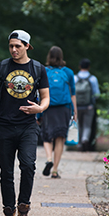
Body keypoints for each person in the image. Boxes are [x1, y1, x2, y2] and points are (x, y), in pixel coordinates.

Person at [0, 30, 49, 216]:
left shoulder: (38, 69)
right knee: (6, 171)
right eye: (11, 46)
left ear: (27, 46)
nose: (14, 50)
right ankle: (9, 213)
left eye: (18, 46)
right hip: (3, 126)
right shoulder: (0, 67)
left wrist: (40, 108)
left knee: (28, 166)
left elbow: (45, 97)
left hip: (28, 126)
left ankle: (24, 211)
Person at [41, 46, 76, 179]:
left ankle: (49, 159)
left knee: (46, 136)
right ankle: (55, 170)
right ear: (61, 56)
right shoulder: (68, 72)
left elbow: (40, 92)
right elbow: (73, 93)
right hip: (64, 108)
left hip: (48, 105)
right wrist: (75, 111)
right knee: (60, 138)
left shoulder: (44, 71)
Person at [74, 58, 100, 151]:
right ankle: (85, 139)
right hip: (88, 106)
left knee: (78, 124)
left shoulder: (75, 78)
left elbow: (71, 93)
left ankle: (79, 144)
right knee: (87, 125)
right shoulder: (92, 79)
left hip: (77, 106)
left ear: (79, 66)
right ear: (89, 67)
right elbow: (97, 94)